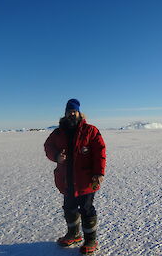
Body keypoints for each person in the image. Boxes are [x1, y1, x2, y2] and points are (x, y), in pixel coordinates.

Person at [44, 99, 106, 254]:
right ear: (65, 113)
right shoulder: (58, 132)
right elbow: (48, 146)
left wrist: (99, 172)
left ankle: (91, 241)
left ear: (79, 112)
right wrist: (57, 156)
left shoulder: (90, 130)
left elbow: (100, 152)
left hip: (86, 180)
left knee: (86, 209)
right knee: (69, 208)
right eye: (69, 111)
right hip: (67, 179)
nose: (72, 113)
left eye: (74, 111)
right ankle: (74, 234)